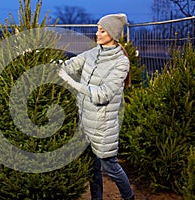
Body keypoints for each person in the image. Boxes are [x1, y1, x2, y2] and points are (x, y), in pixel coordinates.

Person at [58, 13, 134, 200]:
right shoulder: (92, 54)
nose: (97, 34)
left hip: (102, 127)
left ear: (112, 34)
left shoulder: (121, 63)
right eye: (97, 29)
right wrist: (53, 65)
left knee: (111, 167)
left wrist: (71, 82)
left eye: (102, 30)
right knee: (93, 168)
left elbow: (103, 94)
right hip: (85, 123)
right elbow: (70, 66)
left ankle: (129, 197)